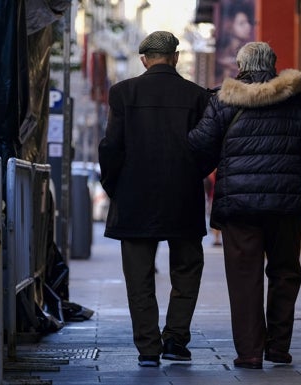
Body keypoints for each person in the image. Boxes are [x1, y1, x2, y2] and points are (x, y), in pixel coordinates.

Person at [188, 42, 301, 369]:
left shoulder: (223, 100)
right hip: (285, 203)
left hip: (240, 206)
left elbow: (199, 144)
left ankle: (251, 352)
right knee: (284, 272)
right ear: (274, 64)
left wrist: (214, 167)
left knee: (244, 278)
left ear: (241, 66)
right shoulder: (295, 98)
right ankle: (279, 348)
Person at [98, 31, 212, 368]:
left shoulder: (123, 93)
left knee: (139, 275)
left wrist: (114, 186)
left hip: (135, 196)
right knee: (187, 268)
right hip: (183, 195)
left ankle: (148, 347)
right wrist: (194, 174)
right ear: (175, 57)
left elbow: (110, 147)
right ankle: (176, 338)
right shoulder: (196, 96)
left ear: (144, 59)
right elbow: (208, 146)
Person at [214, 1, 254, 86]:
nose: (248, 26)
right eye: (241, 23)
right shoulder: (221, 55)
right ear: (230, 26)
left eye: (248, 22)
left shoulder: (248, 53)